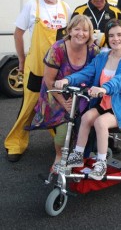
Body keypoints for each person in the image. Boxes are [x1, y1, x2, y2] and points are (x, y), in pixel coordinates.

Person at [54, 19, 121, 180]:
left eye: (120, 35)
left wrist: (104, 88)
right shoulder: (103, 57)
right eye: (112, 35)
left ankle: (101, 163)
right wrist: (67, 80)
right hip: (103, 104)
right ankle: (77, 155)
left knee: (100, 122)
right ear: (107, 37)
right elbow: (87, 72)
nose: (116, 39)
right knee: (86, 117)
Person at [4, 0, 71, 162]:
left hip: (57, 69)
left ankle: (59, 142)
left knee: (57, 106)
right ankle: (15, 144)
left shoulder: (65, 8)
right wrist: (22, 60)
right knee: (28, 107)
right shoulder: (32, 6)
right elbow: (18, 33)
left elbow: (68, 38)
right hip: (35, 68)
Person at [27, 15, 99, 168]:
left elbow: (100, 69)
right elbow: (49, 81)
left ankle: (81, 154)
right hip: (56, 93)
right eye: (77, 29)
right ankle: (59, 155)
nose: (81, 33)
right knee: (63, 131)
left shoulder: (93, 49)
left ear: (90, 33)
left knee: (86, 123)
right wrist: (64, 102)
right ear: (70, 30)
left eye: (85, 30)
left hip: (80, 94)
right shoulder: (58, 49)